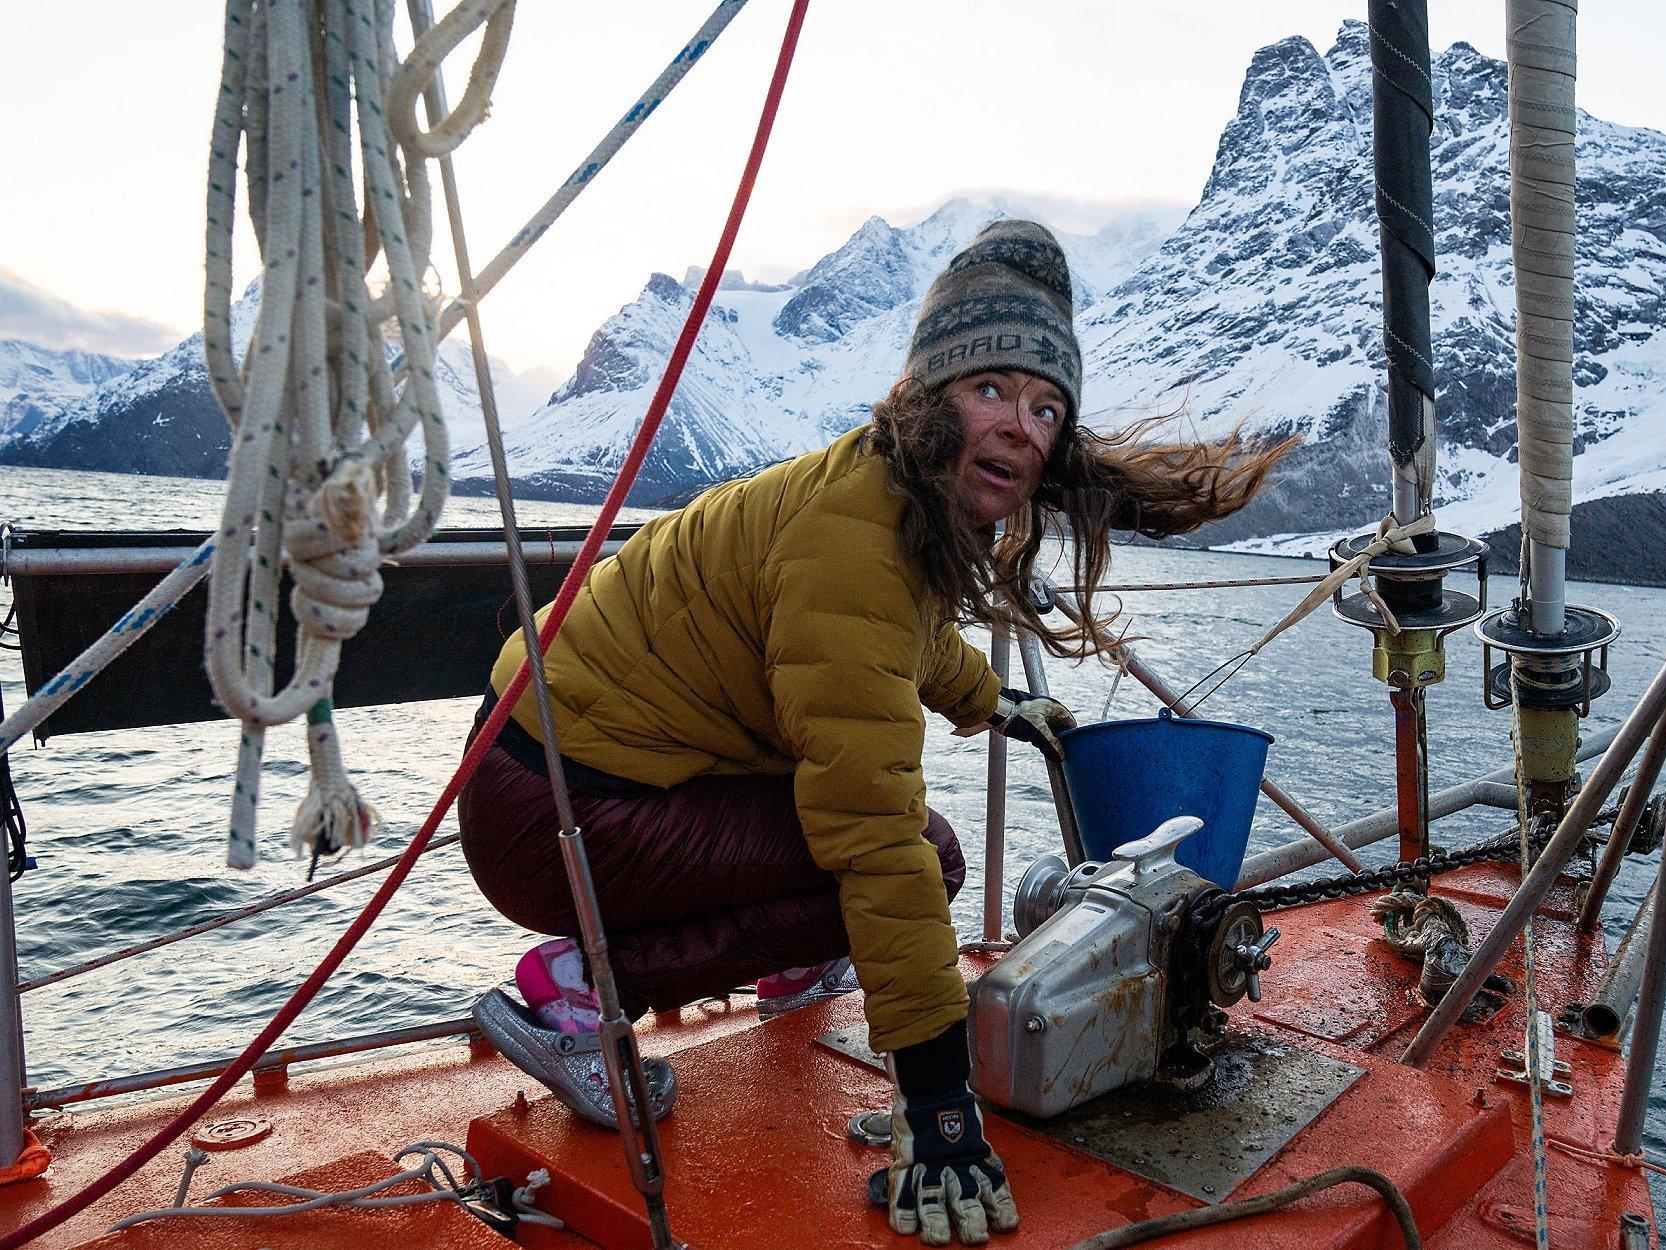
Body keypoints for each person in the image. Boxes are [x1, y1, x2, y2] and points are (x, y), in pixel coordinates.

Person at [457, 219, 1291, 1245]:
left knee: (880, 858)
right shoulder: (852, 534)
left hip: (576, 763)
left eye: (1043, 406)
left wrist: (995, 700)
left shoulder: (884, 494)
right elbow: (872, 829)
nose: (1019, 426)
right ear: (926, 397)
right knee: (907, 858)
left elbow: (897, 639)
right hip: (558, 811)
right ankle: (577, 995)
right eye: (989, 389)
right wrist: (938, 1108)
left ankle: (785, 961)